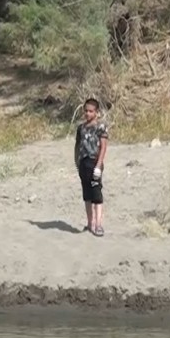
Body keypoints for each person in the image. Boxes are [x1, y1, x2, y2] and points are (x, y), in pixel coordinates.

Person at [73, 98, 109, 236]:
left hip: (95, 162)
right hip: (83, 163)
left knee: (96, 194)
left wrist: (99, 166)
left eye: (90, 111)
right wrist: (77, 163)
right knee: (87, 195)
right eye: (86, 111)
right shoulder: (81, 128)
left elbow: (103, 147)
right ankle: (90, 223)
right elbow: (77, 146)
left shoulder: (101, 127)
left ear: (96, 112)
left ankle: (99, 224)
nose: (87, 113)